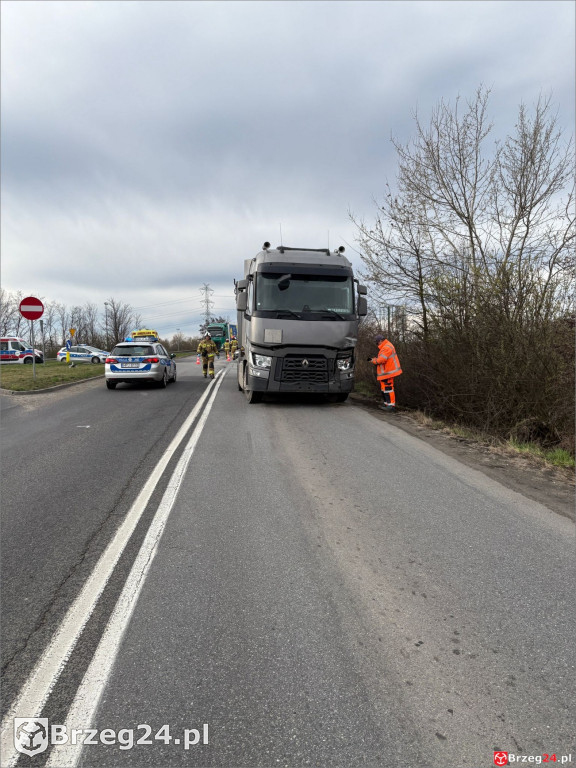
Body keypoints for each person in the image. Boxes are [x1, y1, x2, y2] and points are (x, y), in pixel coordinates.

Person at [368, 335, 402, 411]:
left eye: (377, 342)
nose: (377, 344)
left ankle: (391, 406)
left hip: (388, 372)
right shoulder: (386, 346)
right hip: (386, 372)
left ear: (380, 341)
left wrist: (373, 360)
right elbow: (381, 359)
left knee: (388, 388)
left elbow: (381, 360)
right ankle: (387, 403)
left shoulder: (386, 347)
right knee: (385, 388)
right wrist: (373, 359)